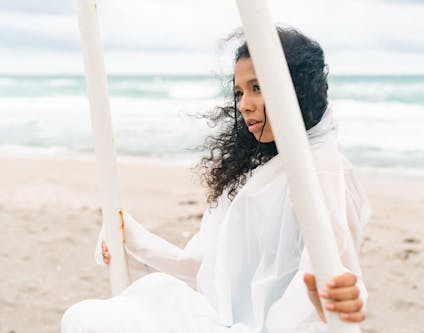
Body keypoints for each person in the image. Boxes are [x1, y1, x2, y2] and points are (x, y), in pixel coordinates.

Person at [61, 27, 370, 333]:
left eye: (258, 87)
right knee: (90, 317)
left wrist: (339, 302)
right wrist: (130, 240)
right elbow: (206, 267)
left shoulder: (323, 171)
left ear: (297, 89)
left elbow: (336, 278)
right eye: (239, 92)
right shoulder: (265, 169)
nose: (244, 104)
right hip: (225, 321)